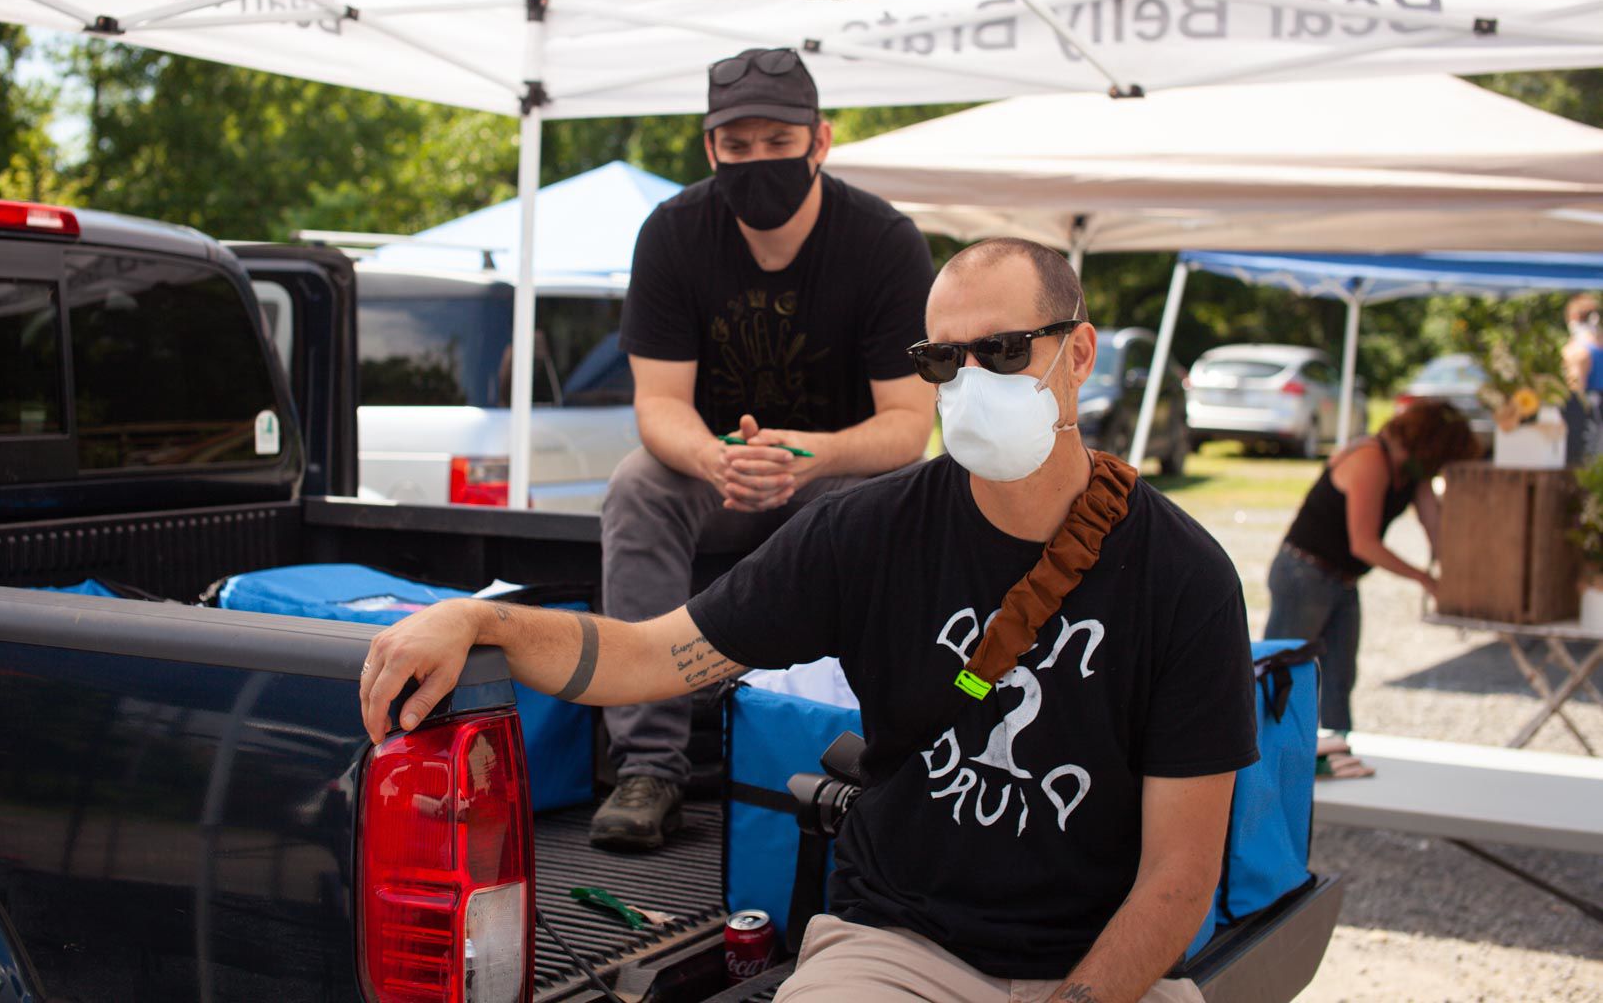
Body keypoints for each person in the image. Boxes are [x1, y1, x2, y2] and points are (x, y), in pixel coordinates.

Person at [360, 238, 1259, 1003]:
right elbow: (646, 657)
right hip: (900, 948)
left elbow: (1179, 880)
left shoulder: (1184, 578)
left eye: (1005, 350)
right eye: (945, 360)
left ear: (1081, 352)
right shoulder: (868, 530)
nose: (972, 380)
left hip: (1104, 965)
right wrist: (481, 622)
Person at [592, 47, 937, 850]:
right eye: (736, 146)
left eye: (776, 143)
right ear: (710, 148)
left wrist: (805, 455)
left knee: (897, 493)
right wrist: (718, 459)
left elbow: (907, 426)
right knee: (638, 485)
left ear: (819, 141)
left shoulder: (883, 242)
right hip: (718, 475)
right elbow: (659, 405)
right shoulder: (675, 234)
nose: (756, 163)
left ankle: (885, 747)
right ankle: (649, 768)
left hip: (834, 478)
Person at [1263, 400, 1480, 772]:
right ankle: (1266, 763)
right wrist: (1425, 579)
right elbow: (1363, 542)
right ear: (1430, 445)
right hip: (1306, 574)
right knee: (1281, 677)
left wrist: (1462, 576)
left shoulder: (1413, 473)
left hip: (1342, 580)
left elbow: (1437, 531)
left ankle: (1333, 756)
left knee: (1338, 679)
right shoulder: (1369, 459)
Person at [1561, 294, 1603, 463]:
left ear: (1574, 317)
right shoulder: (1597, 341)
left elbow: (1575, 382)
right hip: (1596, 405)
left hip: (1586, 407)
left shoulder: (1578, 348)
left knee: (1582, 459)